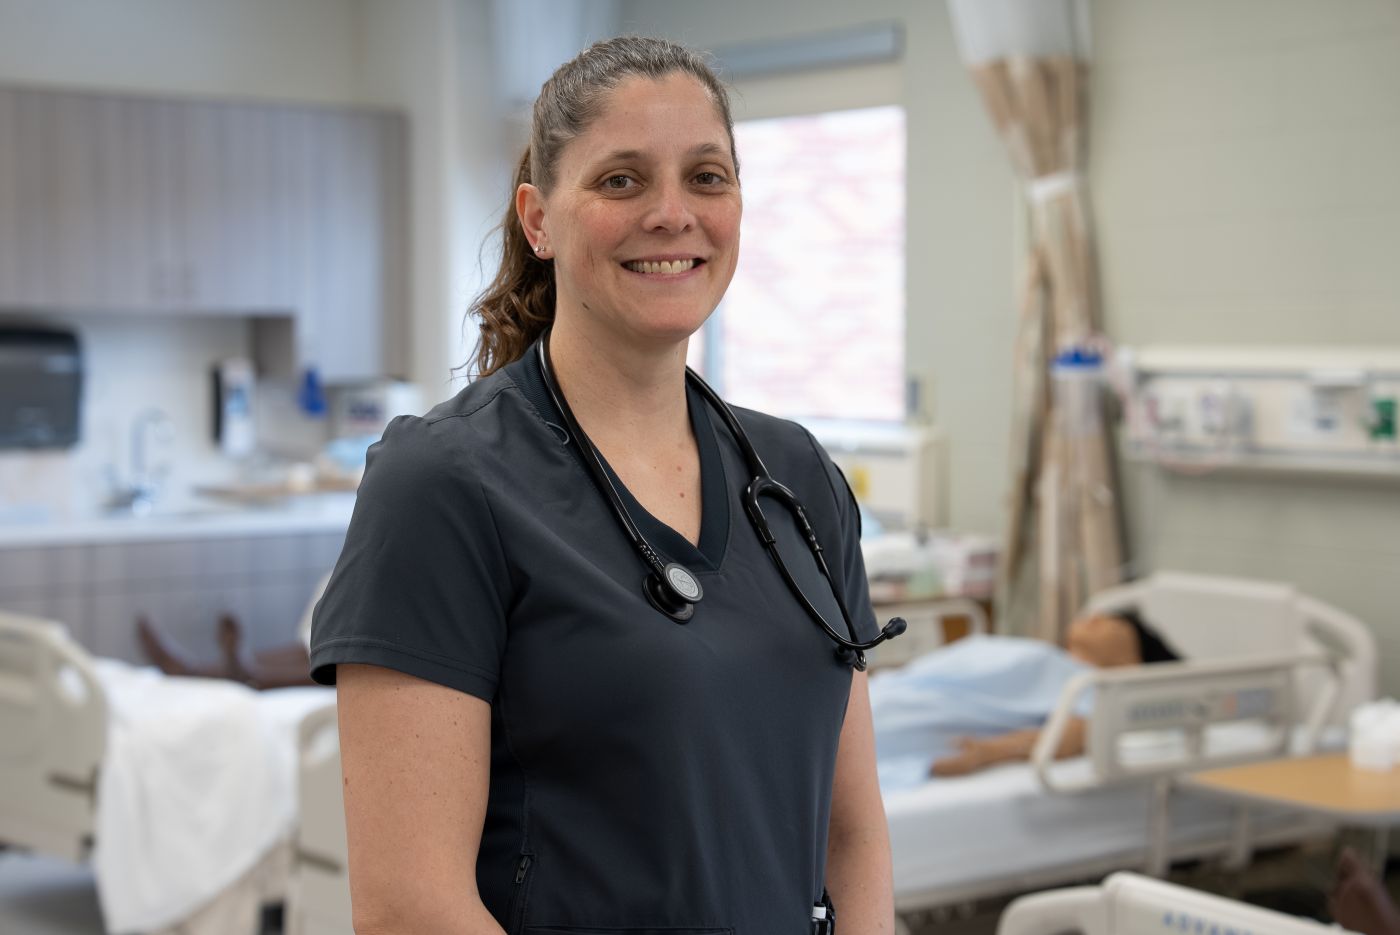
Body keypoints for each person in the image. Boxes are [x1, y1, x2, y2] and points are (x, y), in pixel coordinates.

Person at [307, 36, 895, 935]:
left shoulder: (799, 479)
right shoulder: (445, 483)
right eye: (621, 180)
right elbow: (407, 907)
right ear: (538, 219)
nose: (672, 213)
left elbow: (852, 836)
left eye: (707, 176)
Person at [868, 608, 1181, 786]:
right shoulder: (1053, 659)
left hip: (903, 719)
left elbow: (1074, 734)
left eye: (1118, 623)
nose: (1096, 616)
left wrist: (986, 753)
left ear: (1131, 662)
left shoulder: (1091, 686)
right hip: (883, 695)